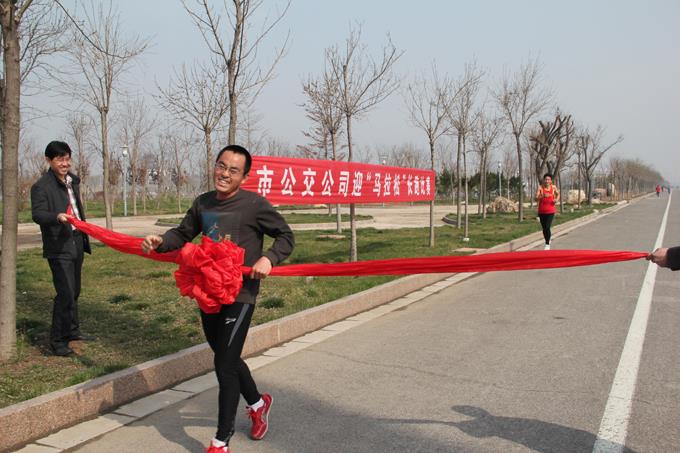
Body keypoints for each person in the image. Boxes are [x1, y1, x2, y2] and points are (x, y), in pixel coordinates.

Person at [141, 144, 294, 453]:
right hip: (209, 291)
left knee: (224, 364)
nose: (224, 174)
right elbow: (183, 234)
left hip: (241, 293)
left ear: (244, 177)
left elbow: (286, 236)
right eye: (221, 166)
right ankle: (257, 404)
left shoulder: (254, 205)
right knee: (227, 356)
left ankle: (221, 440)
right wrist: (161, 241)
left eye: (233, 170)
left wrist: (269, 259)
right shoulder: (203, 203)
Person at [31, 141, 93, 357]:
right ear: (49, 160)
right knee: (65, 293)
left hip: (76, 240)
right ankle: (57, 340)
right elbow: (37, 214)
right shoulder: (42, 186)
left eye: (67, 159)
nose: (65, 163)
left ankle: (73, 331)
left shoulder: (72, 181)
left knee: (74, 290)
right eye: (60, 159)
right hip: (58, 245)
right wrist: (57, 216)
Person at [535, 173, 559, 250]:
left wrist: (556, 200)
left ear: (551, 181)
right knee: (544, 228)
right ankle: (548, 238)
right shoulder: (540, 188)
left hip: (551, 211)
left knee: (547, 227)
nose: (547, 181)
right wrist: (542, 196)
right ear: (543, 180)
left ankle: (547, 243)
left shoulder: (553, 187)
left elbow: (558, 194)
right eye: (546, 179)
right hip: (541, 211)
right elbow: (535, 198)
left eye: (548, 179)